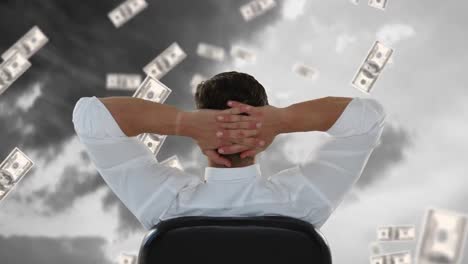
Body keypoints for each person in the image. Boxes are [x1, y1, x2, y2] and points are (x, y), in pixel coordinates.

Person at [72, 71, 386, 230]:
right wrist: (282, 120)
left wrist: (184, 123)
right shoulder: (303, 203)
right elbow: (369, 119)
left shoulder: (164, 205)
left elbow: (89, 117)